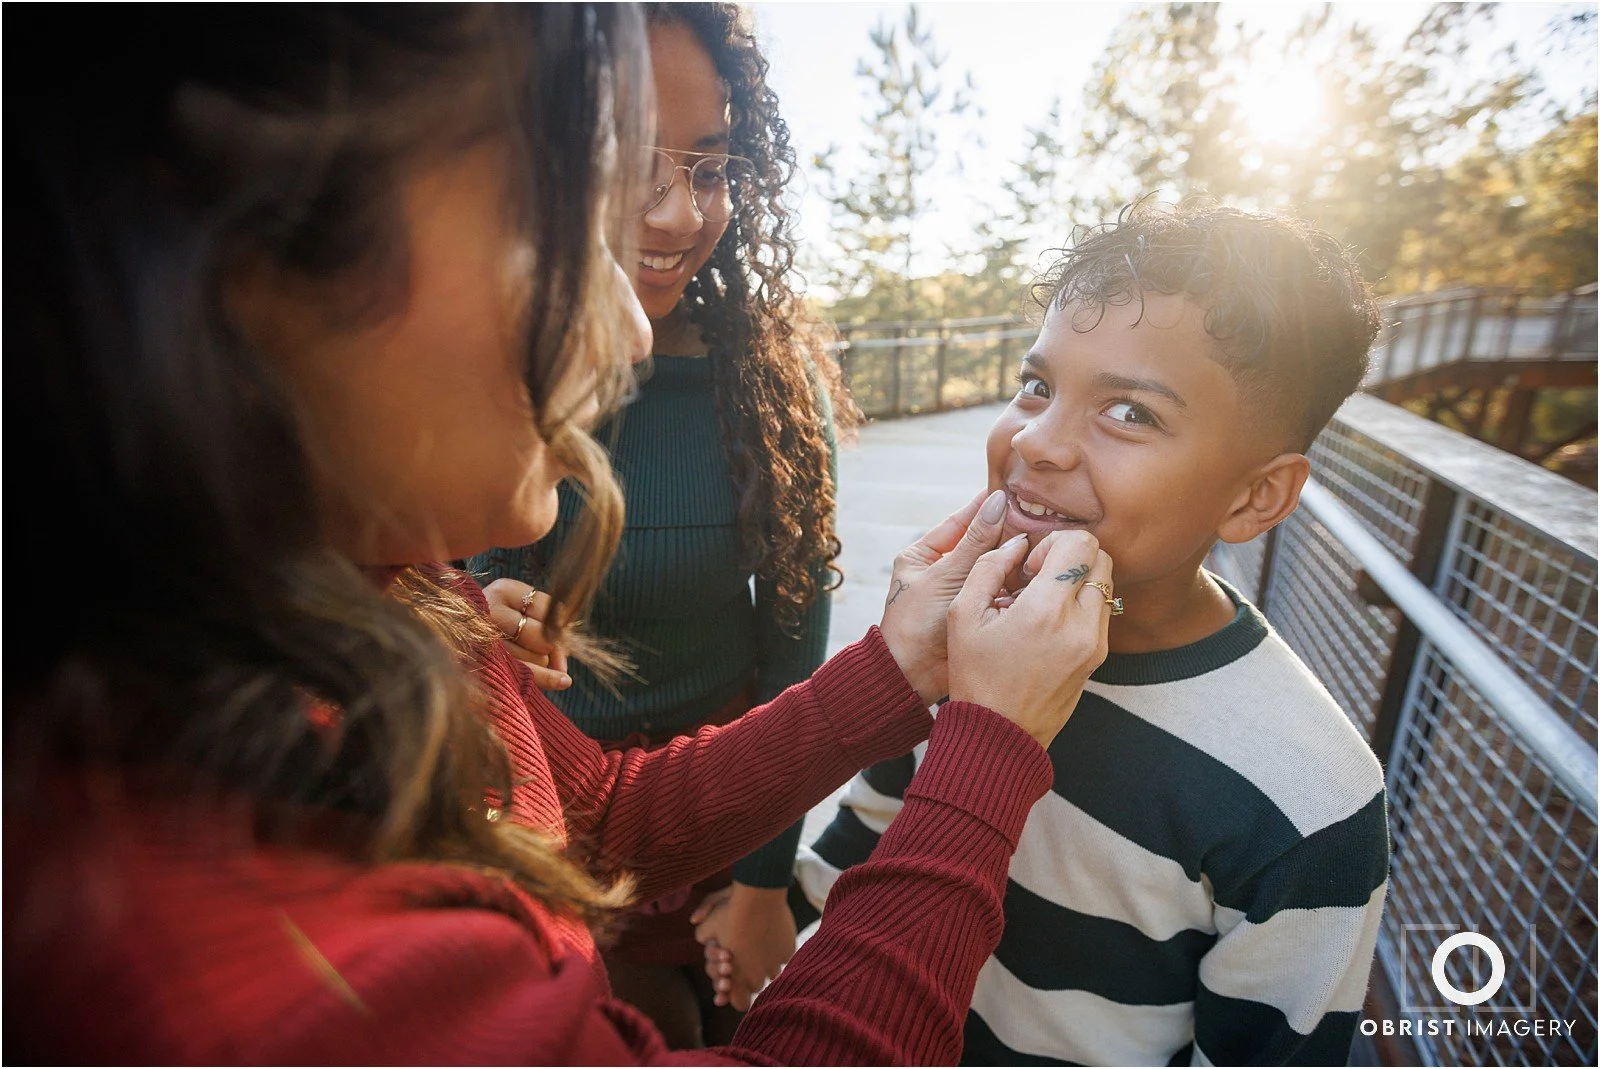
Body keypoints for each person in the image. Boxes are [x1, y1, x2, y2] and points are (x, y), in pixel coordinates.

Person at [3, 5, 1115, 1064]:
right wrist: (987, 744)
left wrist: (902, 666)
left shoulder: (387, 593)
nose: (628, 326)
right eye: (558, 219)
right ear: (255, 253)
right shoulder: (254, 981)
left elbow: (599, 818)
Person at [783, 201, 1393, 1065]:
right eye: (1038, 384)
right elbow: (876, 825)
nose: (1037, 441)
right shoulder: (964, 629)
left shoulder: (1310, 797)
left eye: (1131, 414)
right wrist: (770, 909)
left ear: (1256, 496)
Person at [467, 4, 842, 1043]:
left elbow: (797, 650)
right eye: (632, 163)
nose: (679, 213)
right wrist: (468, 619)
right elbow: (469, 583)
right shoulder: (466, 369)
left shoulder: (767, 385)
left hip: (725, 814)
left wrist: (764, 884)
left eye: (710, 169)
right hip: (542, 821)